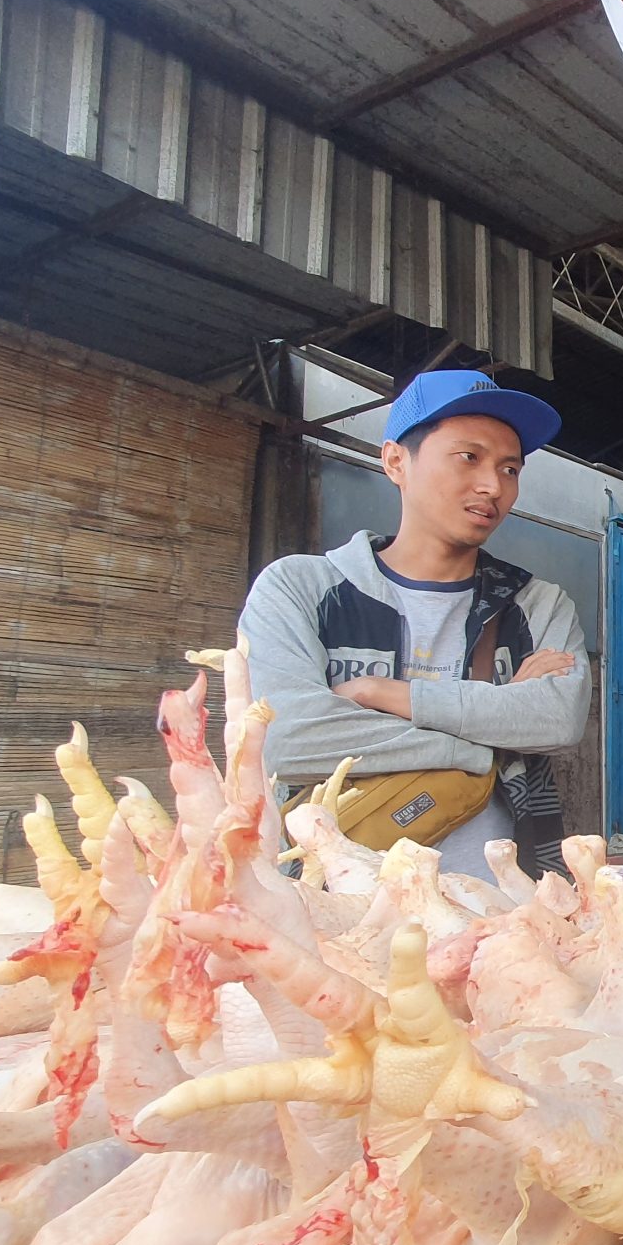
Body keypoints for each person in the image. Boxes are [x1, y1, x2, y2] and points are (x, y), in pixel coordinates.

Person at [240, 368, 591, 879]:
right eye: (469, 457)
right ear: (395, 461)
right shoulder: (301, 589)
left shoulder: (536, 605)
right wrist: (489, 739)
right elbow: (287, 741)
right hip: (326, 908)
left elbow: (558, 720)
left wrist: (384, 694)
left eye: (511, 469)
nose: (493, 485)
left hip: (499, 915)